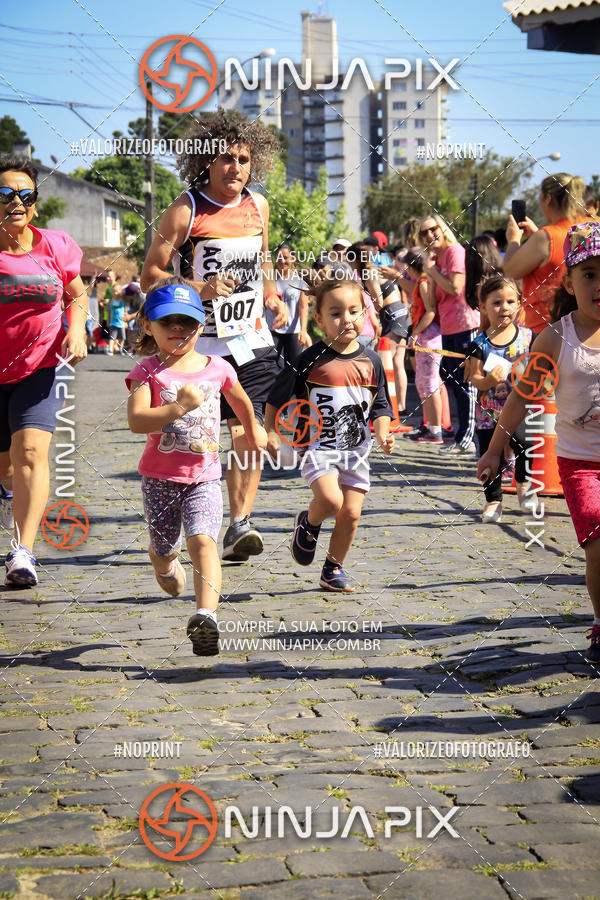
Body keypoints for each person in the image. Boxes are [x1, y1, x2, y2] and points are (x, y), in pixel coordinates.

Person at [141, 109, 289, 563]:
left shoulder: (258, 206)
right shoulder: (186, 209)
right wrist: (195, 289)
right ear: (207, 161)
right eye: (227, 158)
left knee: (249, 431)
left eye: (244, 159)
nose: (236, 168)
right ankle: (181, 526)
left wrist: (272, 295)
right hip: (201, 350)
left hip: (252, 340)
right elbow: (150, 276)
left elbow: (263, 259)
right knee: (197, 439)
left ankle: (240, 522)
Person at [478, 221, 600, 662]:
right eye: (589, 274)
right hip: (579, 462)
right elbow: (520, 397)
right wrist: (495, 448)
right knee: (597, 539)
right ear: (568, 280)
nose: (599, 284)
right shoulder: (556, 337)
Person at [126, 279, 265, 656]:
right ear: (148, 326)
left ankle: (206, 616)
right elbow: (137, 421)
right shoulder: (148, 371)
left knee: (203, 541)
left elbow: (241, 402)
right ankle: (165, 568)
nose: (177, 330)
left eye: (186, 322)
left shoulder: (216, 367)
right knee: (164, 551)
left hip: (204, 477)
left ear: (201, 325)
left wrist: (254, 432)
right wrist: (178, 408)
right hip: (159, 479)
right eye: (167, 321)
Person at [265, 278, 394, 593]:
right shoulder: (308, 359)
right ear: (319, 320)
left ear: (364, 314)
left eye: (353, 311)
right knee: (332, 500)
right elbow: (276, 395)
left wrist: (383, 432)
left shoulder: (372, 361)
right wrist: (269, 429)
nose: (346, 319)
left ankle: (333, 568)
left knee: (351, 514)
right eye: (336, 313)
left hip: (356, 451)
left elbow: (381, 406)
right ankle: (309, 523)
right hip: (317, 447)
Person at [0, 155, 87, 586]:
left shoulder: (55, 246)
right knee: (6, 464)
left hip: (43, 368)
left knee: (31, 452)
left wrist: (78, 330)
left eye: (24, 194)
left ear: (34, 203)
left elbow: (76, 293)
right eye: (4, 194)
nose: (14, 201)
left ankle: (22, 552)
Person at [465, 276, 534, 522]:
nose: (504, 307)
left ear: (519, 304)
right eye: (496, 303)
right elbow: (474, 377)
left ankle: (524, 485)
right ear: (483, 306)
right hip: (488, 411)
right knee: (488, 454)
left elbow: (541, 370)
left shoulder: (529, 337)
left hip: (522, 408)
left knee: (525, 444)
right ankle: (493, 500)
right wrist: (488, 381)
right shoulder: (479, 343)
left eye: (510, 301)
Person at [418, 214, 480, 454]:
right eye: (423, 233)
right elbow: (432, 302)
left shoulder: (455, 251)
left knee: (467, 383)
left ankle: (468, 437)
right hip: (448, 327)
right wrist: (430, 275)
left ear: (443, 228)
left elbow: (455, 287)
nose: (429, 235)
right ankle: (463, 434)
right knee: (454, 382)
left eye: (433, 229)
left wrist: (433, 274)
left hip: (465, 323)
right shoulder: (436, 260)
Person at [503, 173, 587, 336]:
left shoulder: (547, 237)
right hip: (579, 329)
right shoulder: (584, 230)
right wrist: (538, 236)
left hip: (544, 330)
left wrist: (513, 240)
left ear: (548, 199)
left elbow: (510, 269)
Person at [404, 249, 442, 443]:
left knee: (429, 384)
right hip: (424, 337)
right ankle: (430, 427)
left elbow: (431, 311)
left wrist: (416, 332)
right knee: (422, 383)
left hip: (429, 337)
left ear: (412, 266)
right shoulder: (421, 282)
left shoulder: (424, 282)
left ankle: (436, 430)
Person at [267, 242, 311, 368]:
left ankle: (292, 388)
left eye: (285, 257)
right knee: (275, 367)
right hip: (273, 330)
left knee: (293, 368)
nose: (282, 261)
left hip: (293, 332)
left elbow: (303, 307)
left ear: (292, 258)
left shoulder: (300, 281)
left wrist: (303, 330)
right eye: (279, 258)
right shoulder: (270, 279)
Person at [108, 285, 126, 355]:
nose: (115, 293)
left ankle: (121, 349)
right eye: (114, 291)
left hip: (121, 323)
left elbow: (125, 311)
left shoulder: (123, 300)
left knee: (122, 337)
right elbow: (109, 312)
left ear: (120, 292)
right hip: (113, 323)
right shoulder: (111, 301)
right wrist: (108, 321)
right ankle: (110, 349)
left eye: (117, 291)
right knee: (112, 337)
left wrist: (126, 322)